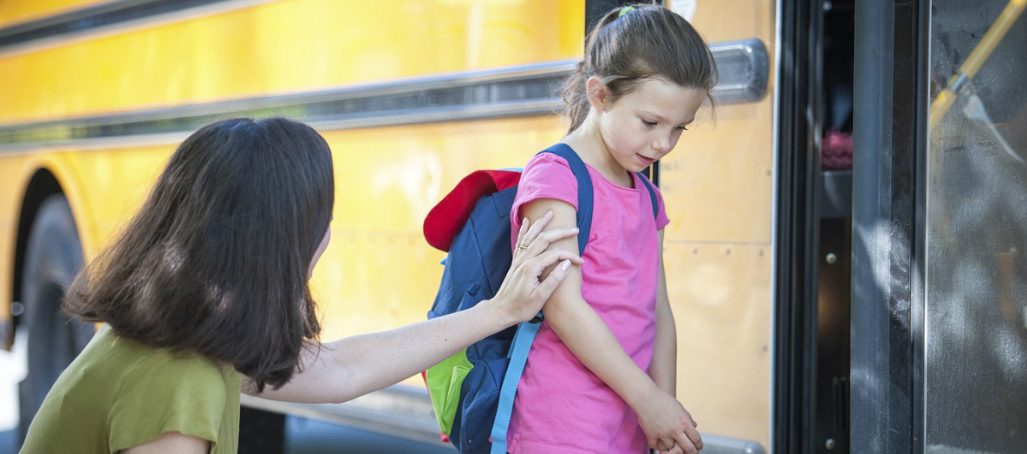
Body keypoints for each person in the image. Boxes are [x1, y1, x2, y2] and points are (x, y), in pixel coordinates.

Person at [18, 117, 584, 454]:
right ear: (282, 245)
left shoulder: (181, 332)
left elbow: (342, 368)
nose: (329, 237)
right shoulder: (175, 383)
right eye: (320, 220)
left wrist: (498, 311)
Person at [506, 4, 717, 454]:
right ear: (599, 95)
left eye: (679, 128)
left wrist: (664, 407)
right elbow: (563, 307)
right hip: (561, 425)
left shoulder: (648, 197)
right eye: (650, 123)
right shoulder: (556, 178)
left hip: (629, 424)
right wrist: (648, 399)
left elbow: (658, 311)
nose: (663, 143)